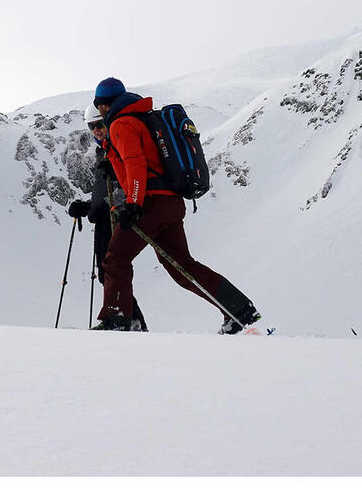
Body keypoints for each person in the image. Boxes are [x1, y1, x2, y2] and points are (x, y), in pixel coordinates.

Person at [89, 77, 260, 334]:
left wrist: (133, 203)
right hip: (170, 202)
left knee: (115, 258)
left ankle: (119, 319)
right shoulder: (140, 117)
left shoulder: (122, 124)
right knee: (182, 266)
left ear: (103, 105)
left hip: (151, 203)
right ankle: (238, 308)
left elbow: (136, 165)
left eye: (99, 106)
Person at [68, 103, 148, 331]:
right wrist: (87, 207)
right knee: (107, 272)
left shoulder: (117, 146)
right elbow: (106, 191)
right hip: (107, 216)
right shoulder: (102, 150)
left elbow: (125, 183)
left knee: (111, 270)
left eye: (99, 125)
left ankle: (123, 320)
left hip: (118, 216)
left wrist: (102, 207)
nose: (96, 131)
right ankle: (131, 321)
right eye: (91, 127)